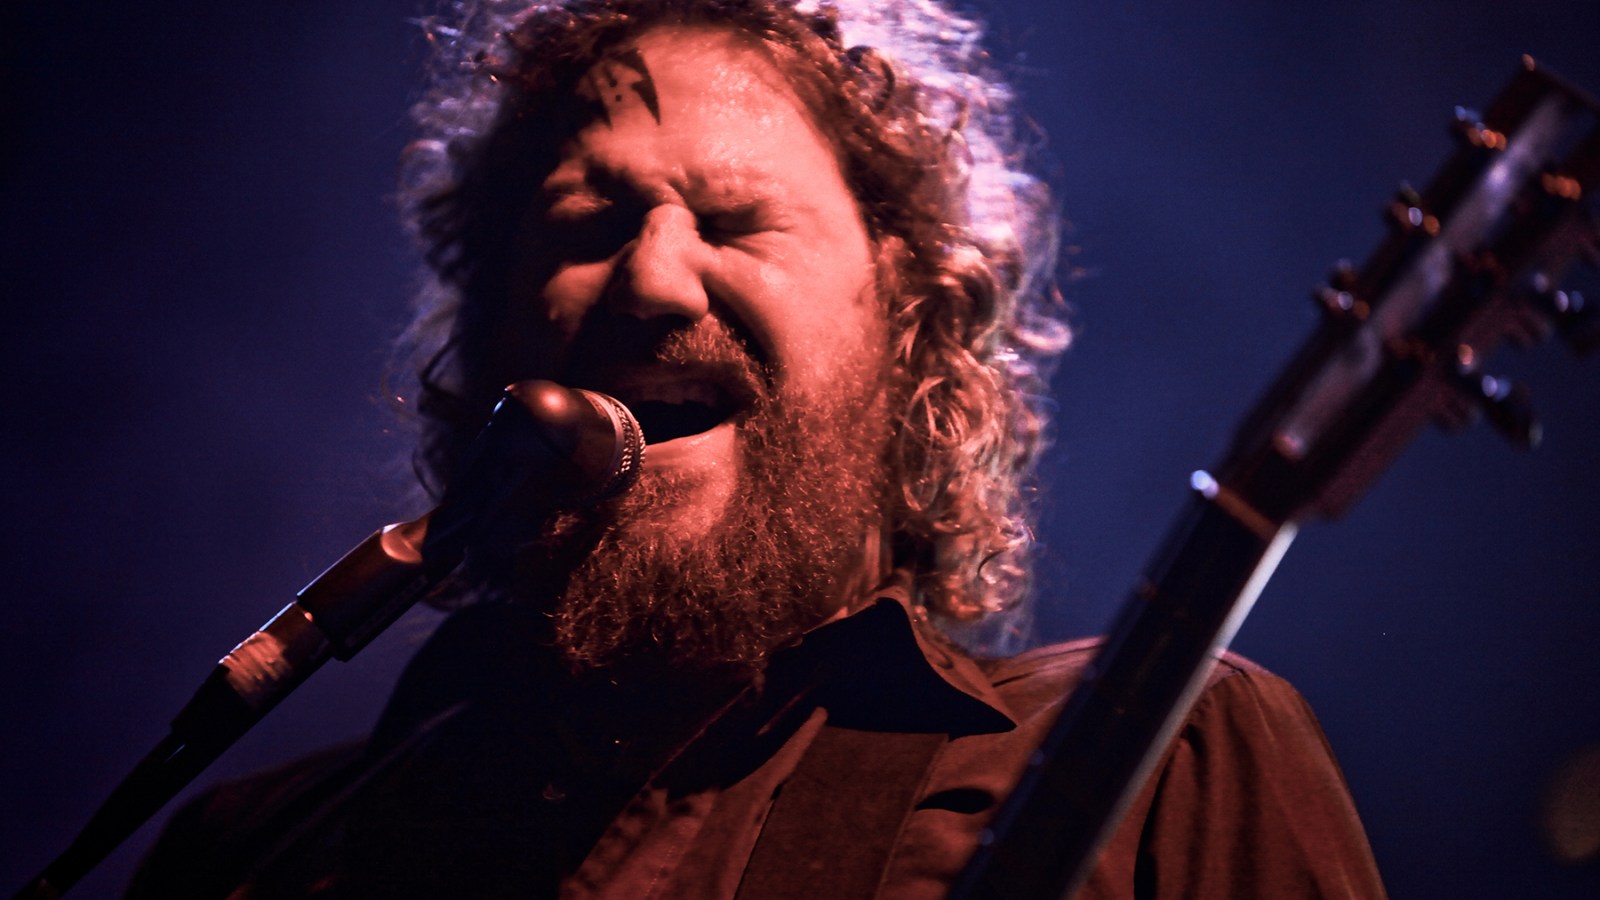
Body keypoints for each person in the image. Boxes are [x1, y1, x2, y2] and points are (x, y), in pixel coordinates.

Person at [128, 0, 1387, 896]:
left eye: (732, 220)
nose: (653, 280)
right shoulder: (255, 853)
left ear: (908, 323)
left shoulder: (1157, 755)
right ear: (497, 330)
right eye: (588, 223)